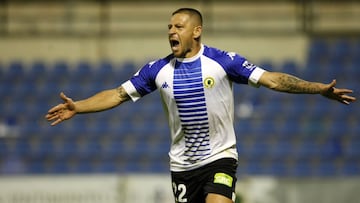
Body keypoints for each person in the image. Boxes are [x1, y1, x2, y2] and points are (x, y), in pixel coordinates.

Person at [46, 8, 356, 203]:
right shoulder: (157, 70)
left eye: (178, 26)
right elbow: (117, 94)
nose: (171, 31)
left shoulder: (223, 61)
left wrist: (317, 89)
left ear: (197, 31)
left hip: (221, 157)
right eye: (169, 27)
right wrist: (79, 107)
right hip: (182, 167)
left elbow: (273, 80)